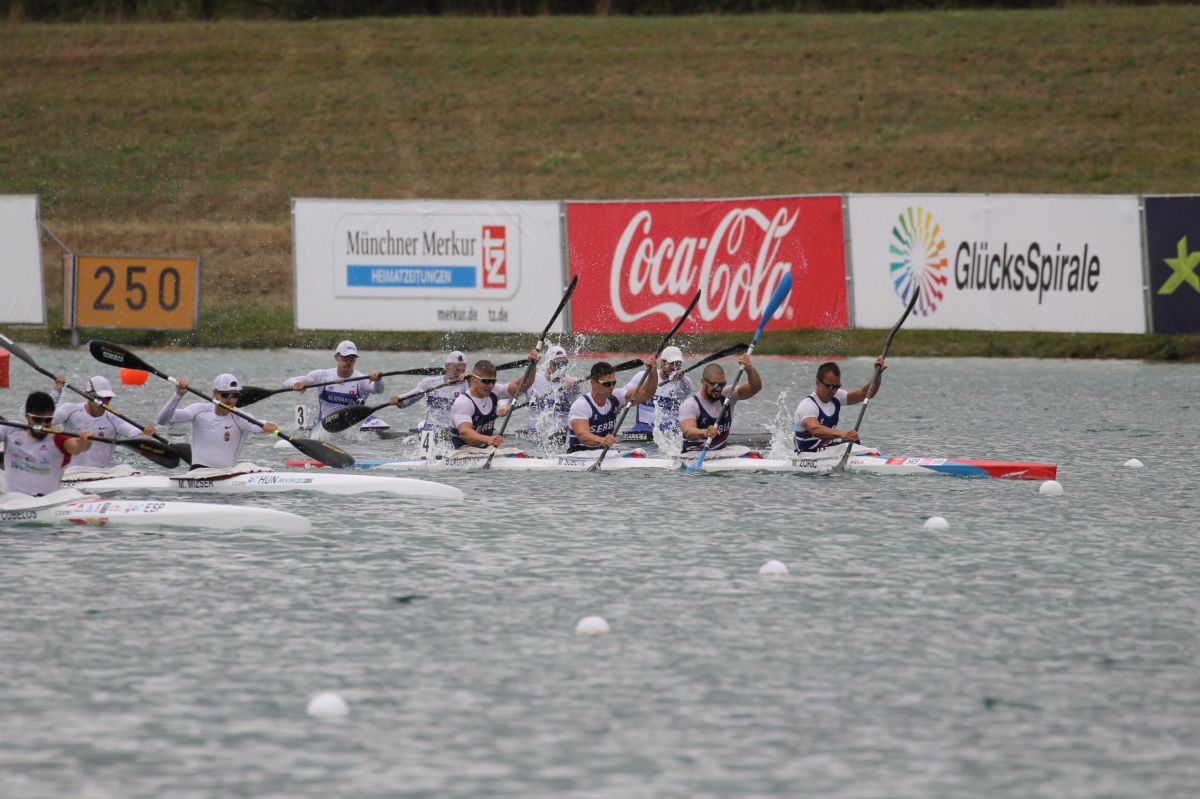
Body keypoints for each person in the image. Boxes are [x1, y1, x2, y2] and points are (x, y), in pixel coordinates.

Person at [157, 374, 279, 470]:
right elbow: (162, 420)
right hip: (198, 473)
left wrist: (267, 425)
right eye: (225, 395)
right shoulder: (198, 410)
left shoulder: (239, 417)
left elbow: (256, 426)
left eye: (235, 395)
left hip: (226, 475)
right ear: (215, 393)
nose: (230, 400)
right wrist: (178, 395)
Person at [50, 375, 155, 471]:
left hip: (100, 475)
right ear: (87, 395)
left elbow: (136, 434)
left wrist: (146, 434)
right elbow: (45, 419)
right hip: (70, 474)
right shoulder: (70, 410)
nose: (105, 402)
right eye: (100, 398)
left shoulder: (114, 418)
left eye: (108, 398)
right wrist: (56, 392)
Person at [2, 391, 93, 497]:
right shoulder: (11, 430)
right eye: (37, 419)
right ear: (27, 417)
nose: (43, 424)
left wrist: (85, 441)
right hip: (13, 502)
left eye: (48, 420)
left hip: (46, 502)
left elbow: (77, 447)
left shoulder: (58, 439)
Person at [449, 352, 539, 453]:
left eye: (493, 381)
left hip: (485, 450)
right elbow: (465, 433)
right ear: (473, 379)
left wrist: (533, 366)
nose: (491, 385)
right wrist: (489, 439)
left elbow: (520, 386)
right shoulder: (463, 402)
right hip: (461, 452)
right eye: (486, 381)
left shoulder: (494, 392)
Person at [793, 358, 887, 453]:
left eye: (837, 387)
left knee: (852, 440)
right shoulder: (808, 405)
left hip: (826, 452)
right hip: (807, 455)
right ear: (818, 383)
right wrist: (842, 434)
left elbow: (865, 393)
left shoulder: (837, 397)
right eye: (830, 386)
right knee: (848, 438)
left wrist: (877, 374)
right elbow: (815, 429)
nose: (834, 391)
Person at [566, 358, 658, 453]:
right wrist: (602, 440)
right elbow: (582, 436)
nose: (611, 387)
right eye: (606, 384)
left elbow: (646, 394)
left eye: (613, 383)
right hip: (579, 454)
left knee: (640, 452)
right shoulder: (582, 405)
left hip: (603, 453)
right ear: (593, 383)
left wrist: (653, 372)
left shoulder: (616, 397)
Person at [283, 340, 384, 424]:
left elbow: (378, 390)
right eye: (345, 357)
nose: (349, 362)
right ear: (336, 357)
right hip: (324, 426)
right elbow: (286, 383)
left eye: (352, 358)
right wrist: (296, 384)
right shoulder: (322, 376)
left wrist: (378, 380)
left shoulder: (361, 380)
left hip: (352, 431)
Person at [678, 355, 762, 455]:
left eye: (722, 384)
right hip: (693, 455)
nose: (719, 388)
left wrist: (749, 369)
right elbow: (688, 432)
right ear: (703, 382)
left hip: (719, 455)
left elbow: (756, 387)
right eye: (715, 384)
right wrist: (704, 432)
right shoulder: (690, 405)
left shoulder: (728, 395)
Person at [392, 350, 468, 450]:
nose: (460, 374)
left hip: (452, 433)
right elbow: (406, 401)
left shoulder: (466, 386)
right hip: (430, 433)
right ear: (447, 366)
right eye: (457, 370)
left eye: (463, 370)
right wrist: (398, 400)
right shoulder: (430, 382)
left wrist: (469, 380)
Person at [623, 345, 694, 436]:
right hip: (643, 428)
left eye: (678, 363)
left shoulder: (685, 383)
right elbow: (623, 396)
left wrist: (682, 377)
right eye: (672, 363)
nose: (675, 367)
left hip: (670, 431)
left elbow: (688, 386)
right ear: (663, 362)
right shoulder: (643, 376)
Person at [521, 345, 584, 439]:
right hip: (535, 434)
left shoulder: (573, 383)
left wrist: (574, 386)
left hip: (562, 435)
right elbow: (511, 394)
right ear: (548, 363)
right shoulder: (532, 380)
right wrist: (503, 405)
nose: (560, 368)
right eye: (556, 363)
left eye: (564, 363)